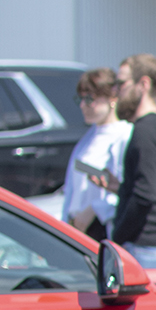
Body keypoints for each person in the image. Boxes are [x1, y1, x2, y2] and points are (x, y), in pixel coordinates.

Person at [111, 53, 156, 270]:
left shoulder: (145, 131)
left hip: (142, 248)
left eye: (122, 83)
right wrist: (121, 188)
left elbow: (145, 195)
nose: (117, 91)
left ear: (143, 84)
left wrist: (116, 238)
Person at [59, 68, 130, 239]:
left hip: (102, 229)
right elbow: (72, 189)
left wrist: (94, 210)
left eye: (90, 99)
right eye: (80, 99)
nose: (83, 105)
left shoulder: (124, 135)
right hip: (77, 228)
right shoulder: (88, 138)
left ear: (112, 97)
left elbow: (127, 190)